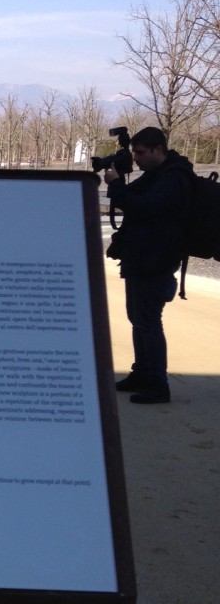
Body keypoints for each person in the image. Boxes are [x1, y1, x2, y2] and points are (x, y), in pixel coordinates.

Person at [103, 126, 193, 404]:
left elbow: (142, 207)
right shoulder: (157, 175)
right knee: (138, 320)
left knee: (148, 322)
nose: (137, 159)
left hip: (156, 261)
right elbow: (133, 198)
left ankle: (158, 384)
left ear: (158, 150)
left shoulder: (174, 178)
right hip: (143, 257)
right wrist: (118, 172)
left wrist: (116, 183)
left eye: (141, 153)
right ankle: (142, 373)